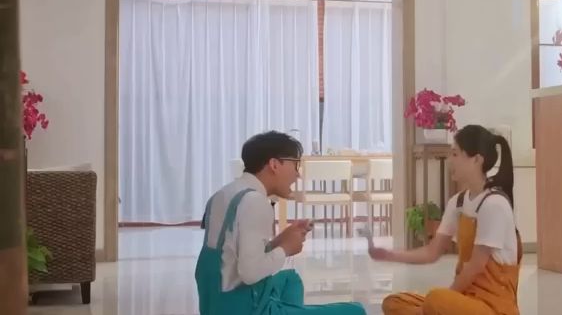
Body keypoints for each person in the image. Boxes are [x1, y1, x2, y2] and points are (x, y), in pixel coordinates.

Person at [195, 131, 367, 315]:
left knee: (290, 279)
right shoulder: (255, 202)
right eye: (295, 164)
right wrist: (285, 249)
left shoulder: (224, 194)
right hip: (245, 308)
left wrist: (280, 241)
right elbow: (250, 273)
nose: (297, 175)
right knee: (356, 311)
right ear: (274, 164)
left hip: (216, 303)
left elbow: (234, 255)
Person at [372, 125, 522, 315]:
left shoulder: (494, 204)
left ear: (476, 160)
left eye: (455, 154)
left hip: (493, 307)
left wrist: (434, 305)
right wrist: (389, 255)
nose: (450, 160)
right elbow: (431, 252)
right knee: (394, 302)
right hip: (465, 300)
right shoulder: (457, 202)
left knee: (436, 299)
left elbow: (475, 266)